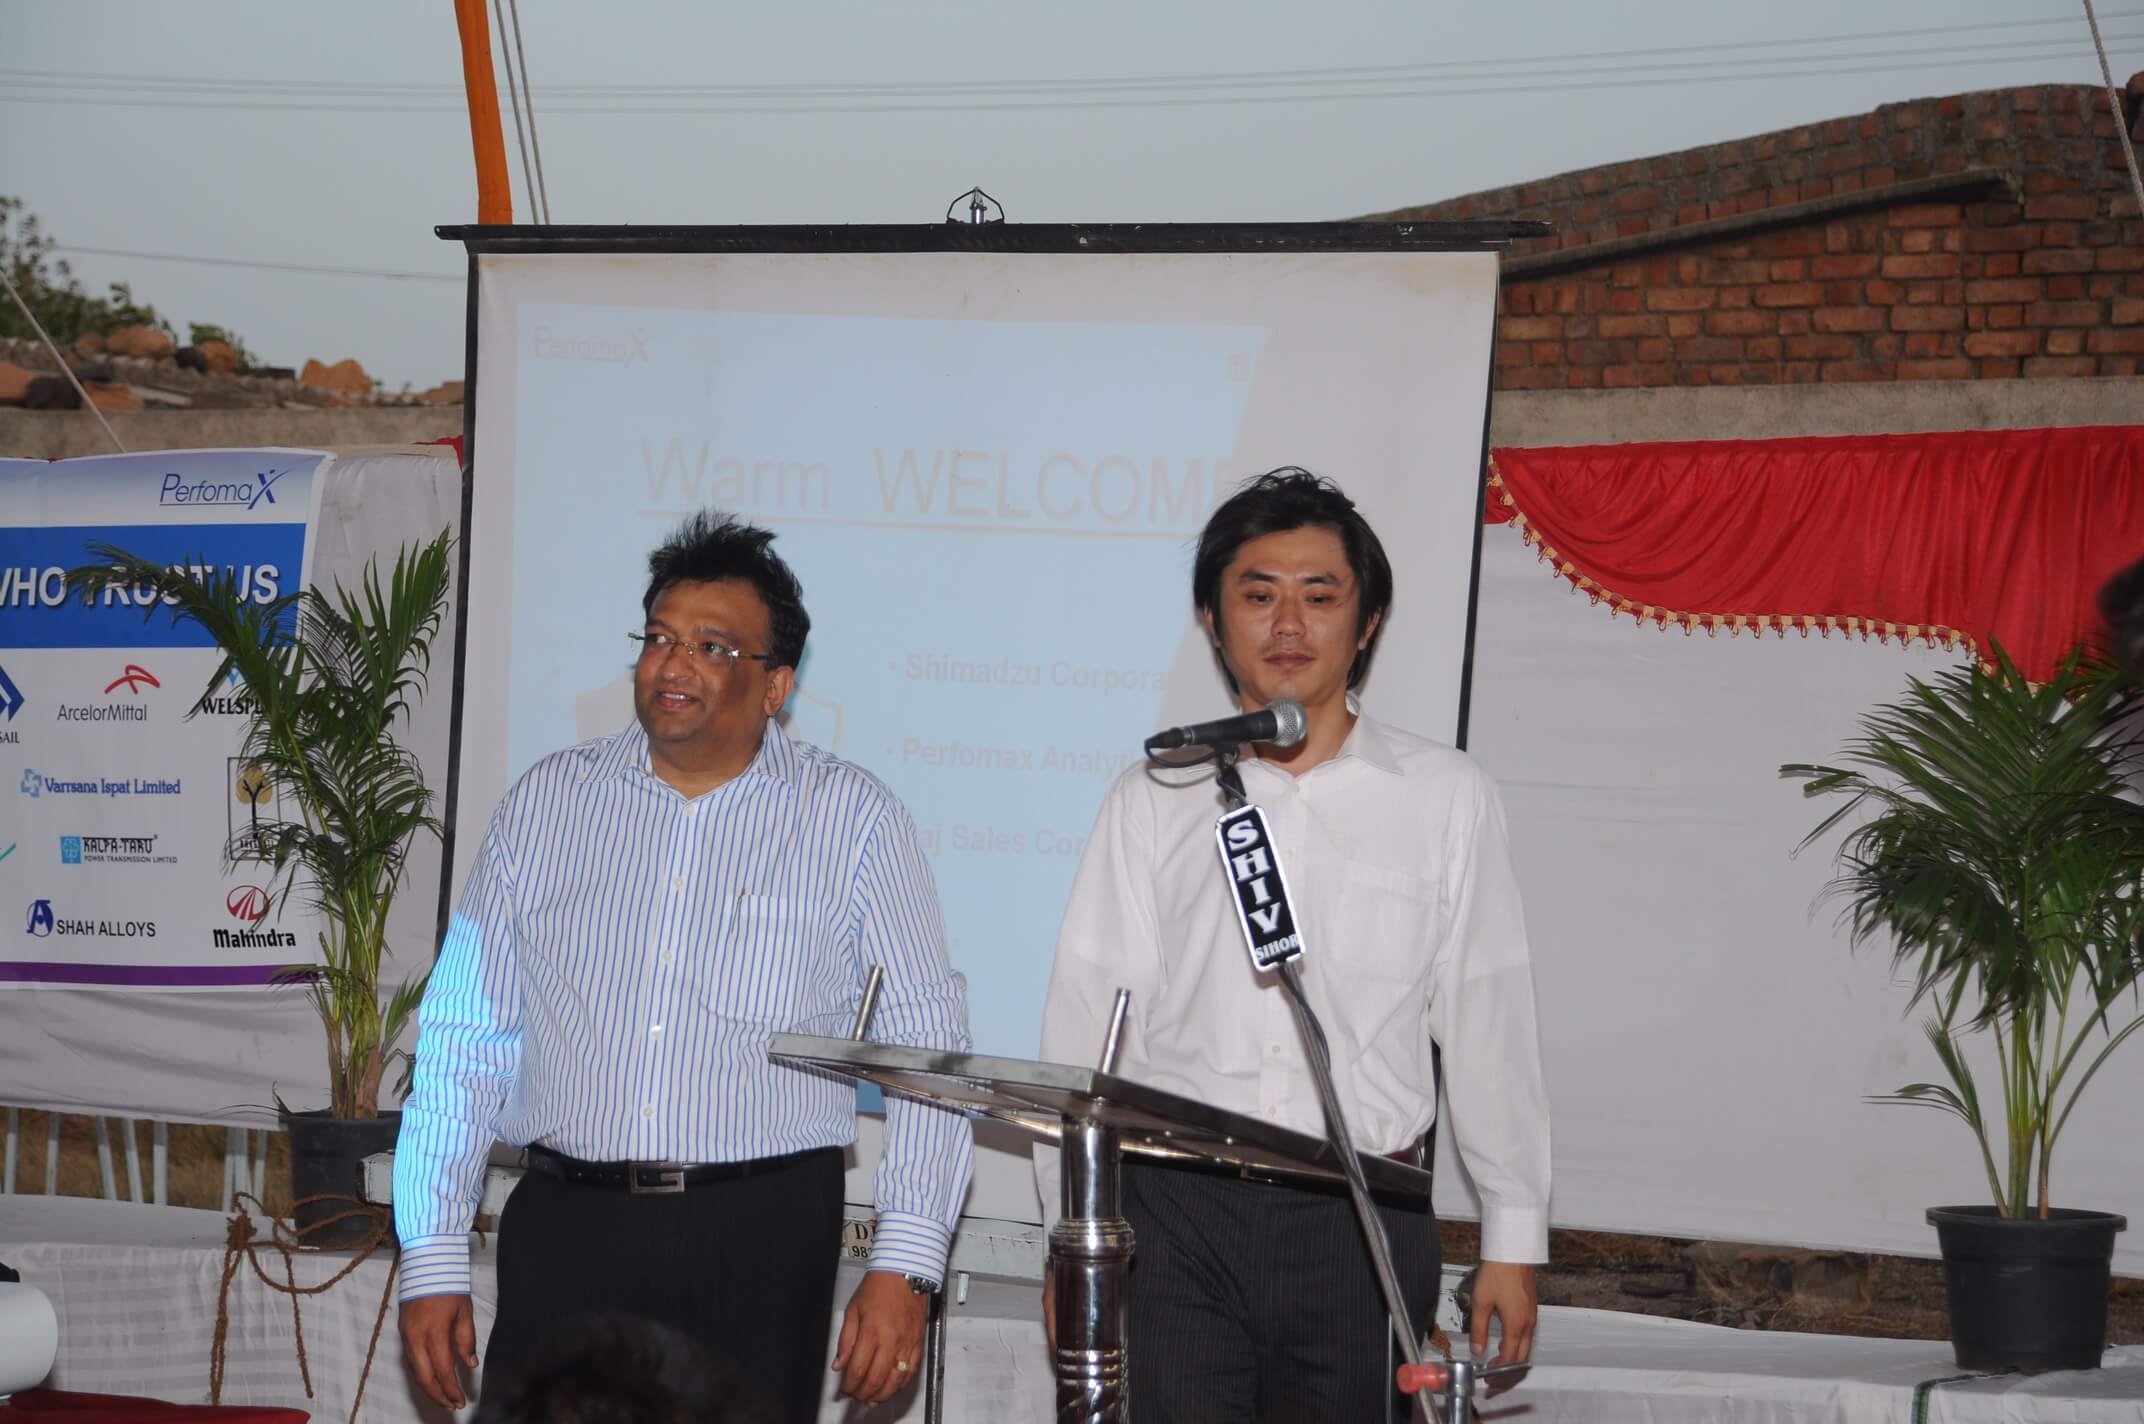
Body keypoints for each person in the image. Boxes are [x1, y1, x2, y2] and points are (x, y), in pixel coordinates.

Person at [394, 512, 974, 1422]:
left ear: (776, 685)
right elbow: (464, 1039)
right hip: (568, 1225)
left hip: (758, 1237)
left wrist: (905, 1263)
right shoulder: (548, 804)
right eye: (660, 638)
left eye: (712, 647)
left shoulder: (853, 821)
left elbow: (929, 1053)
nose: (674, 665)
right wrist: (430, 1253)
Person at [1035, 468, 1551, 1423]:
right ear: (1212, 618)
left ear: (1368, 622)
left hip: (1361, 1213)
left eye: (1320, 596)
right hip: (1176, 1216)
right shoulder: (1156, 797)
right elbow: (1086, 1027)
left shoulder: (1445, 797)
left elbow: (1489, 1020)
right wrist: (1073, 1240)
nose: (1287, 624)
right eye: (1258, 594)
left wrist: (1513, 1237)